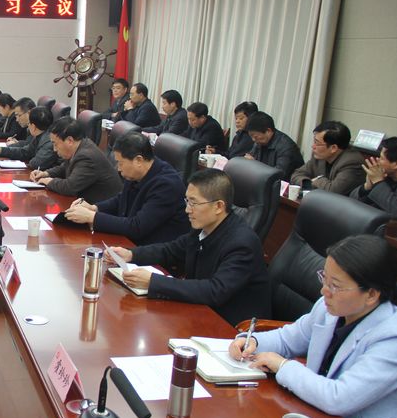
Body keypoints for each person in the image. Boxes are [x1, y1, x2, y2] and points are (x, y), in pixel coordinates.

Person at [230, 234, 397, 418]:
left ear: (372, 295)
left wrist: (282, 365)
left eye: (335, 285)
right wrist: (252, 341)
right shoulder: (328, 308)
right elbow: (287, 339)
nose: (324, 291)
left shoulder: (393, 338)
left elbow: (339, 398)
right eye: (324, 278)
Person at [105, 169, 270, 325]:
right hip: (200, 311)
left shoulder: (242, 244)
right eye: (187, 201)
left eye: (194, 203)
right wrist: (131, 254)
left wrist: (153, 282)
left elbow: (215, 290)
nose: (187, 210)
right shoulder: (203, 227)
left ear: (219, 206)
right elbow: (171, 250)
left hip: (231, 327)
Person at [64, 132, 191, 245]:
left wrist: (92, 217)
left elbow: (137, 227)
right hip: (129, 243)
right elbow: (121, 199)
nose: (118, 169)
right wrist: (95, 208)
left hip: (152, 253)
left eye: (121, 163)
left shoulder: (167, 185)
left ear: (138, 160)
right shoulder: (137, 173)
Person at [29, 121, 122, 202]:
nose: (54, 149)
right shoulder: (81, 146)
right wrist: (46, 173)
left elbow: (69, 187)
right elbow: (64, 167)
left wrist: (48, 181)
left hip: (99, 209)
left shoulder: (87, 156)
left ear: (69, 140)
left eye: (55, 144)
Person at [290, 121, 365, 195]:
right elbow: (296, 175)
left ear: (333, 148)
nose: (313, 146)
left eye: (317, 143)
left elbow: (333, 191)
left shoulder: (352, 162)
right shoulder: (320, 155)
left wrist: (318, 180)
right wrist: (307, 183)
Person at [243, 111, 304, 180]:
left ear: (268, 131)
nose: (253, 140)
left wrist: (255, 165)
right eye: (251, 136)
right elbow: (251, 157)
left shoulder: (286, 147)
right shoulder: (259, 141)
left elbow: (278, 175)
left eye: (255, 136)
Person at [350, 136, 397, 219]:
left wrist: (378, 182)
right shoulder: (386, 176)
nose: (378, 161)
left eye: (382, 158)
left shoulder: (380, 180)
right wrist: (366, 187)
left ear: (396, 164)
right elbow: (352, 200)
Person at [0, 106, 60, 170]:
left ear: (33, 127)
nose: (28, 126)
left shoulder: (49, 142)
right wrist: (0, 150)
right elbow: (24, 152)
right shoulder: (39, 136)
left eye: (28, 123)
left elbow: (36, 164)